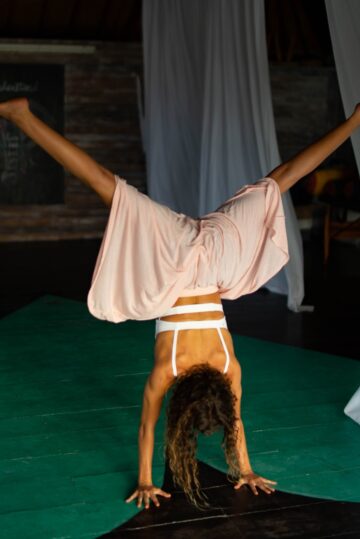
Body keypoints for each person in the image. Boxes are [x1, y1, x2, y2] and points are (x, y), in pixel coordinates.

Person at [1, 97, 359, 510]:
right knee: (106, 185)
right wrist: (146, 480)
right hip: (172, 259)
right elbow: (146, 429)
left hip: (218, 254)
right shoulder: (165, 371)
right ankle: (24, 115)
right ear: (181, 397)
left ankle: (355, 121)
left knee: (282, 179)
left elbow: (237, 422)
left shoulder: (229, 368)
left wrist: (245, 468)